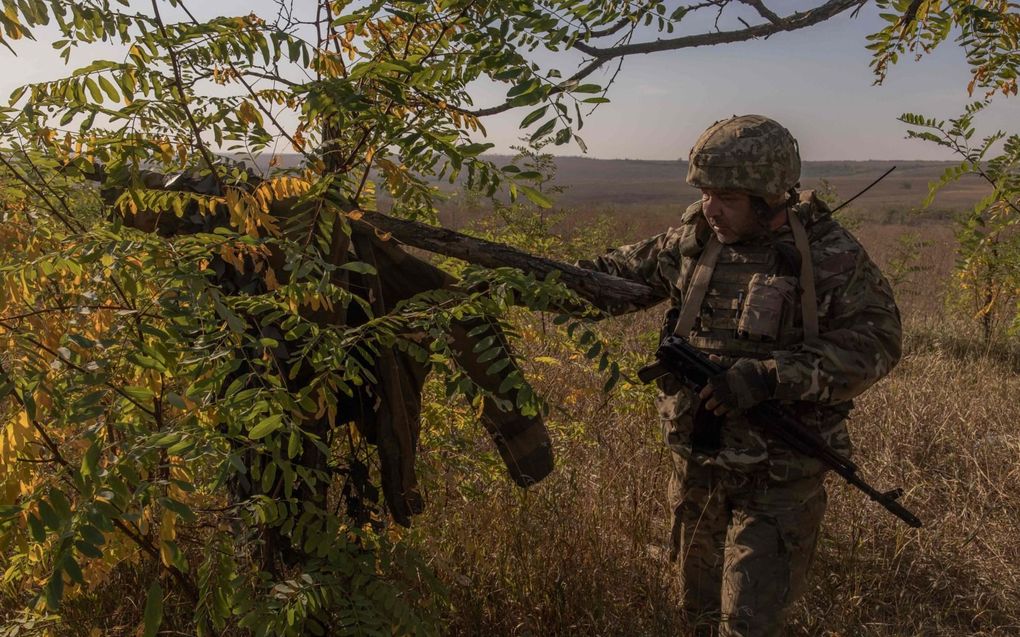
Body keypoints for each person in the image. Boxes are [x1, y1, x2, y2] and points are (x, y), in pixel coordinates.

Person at [577, 115, 902, 636]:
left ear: (770, 195)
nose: (712, 207)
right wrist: (516, 278)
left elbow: (877, 343)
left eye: (727, 196)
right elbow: (606, 280)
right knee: (692, 612)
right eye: (706, 192)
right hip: (697, 461)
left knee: (751, 622)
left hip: (780, 473)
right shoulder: (693, 241)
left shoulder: (828, 255)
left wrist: (772, 376)